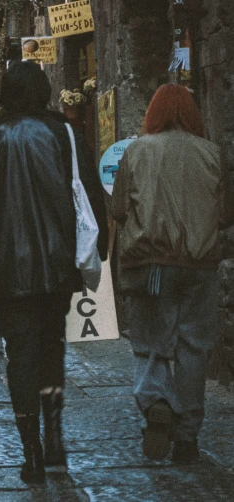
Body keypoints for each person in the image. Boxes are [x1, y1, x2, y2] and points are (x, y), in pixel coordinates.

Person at [0, 62, 108, 483]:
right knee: (52, 347)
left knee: (20, 356)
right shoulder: (64, 133)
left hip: (4, 272)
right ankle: (55, 436)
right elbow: (88, 194)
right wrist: (94, 254)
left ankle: (30, 451)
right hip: (57, 265)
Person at [111, 84, 233, 463]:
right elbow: (226, 215)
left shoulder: (136, 151)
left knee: (150, 340)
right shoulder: (213, 154)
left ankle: (157, 404)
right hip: (199, 266)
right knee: (194, 348)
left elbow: (117, 209)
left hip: (150, 264)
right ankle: (187, 437)